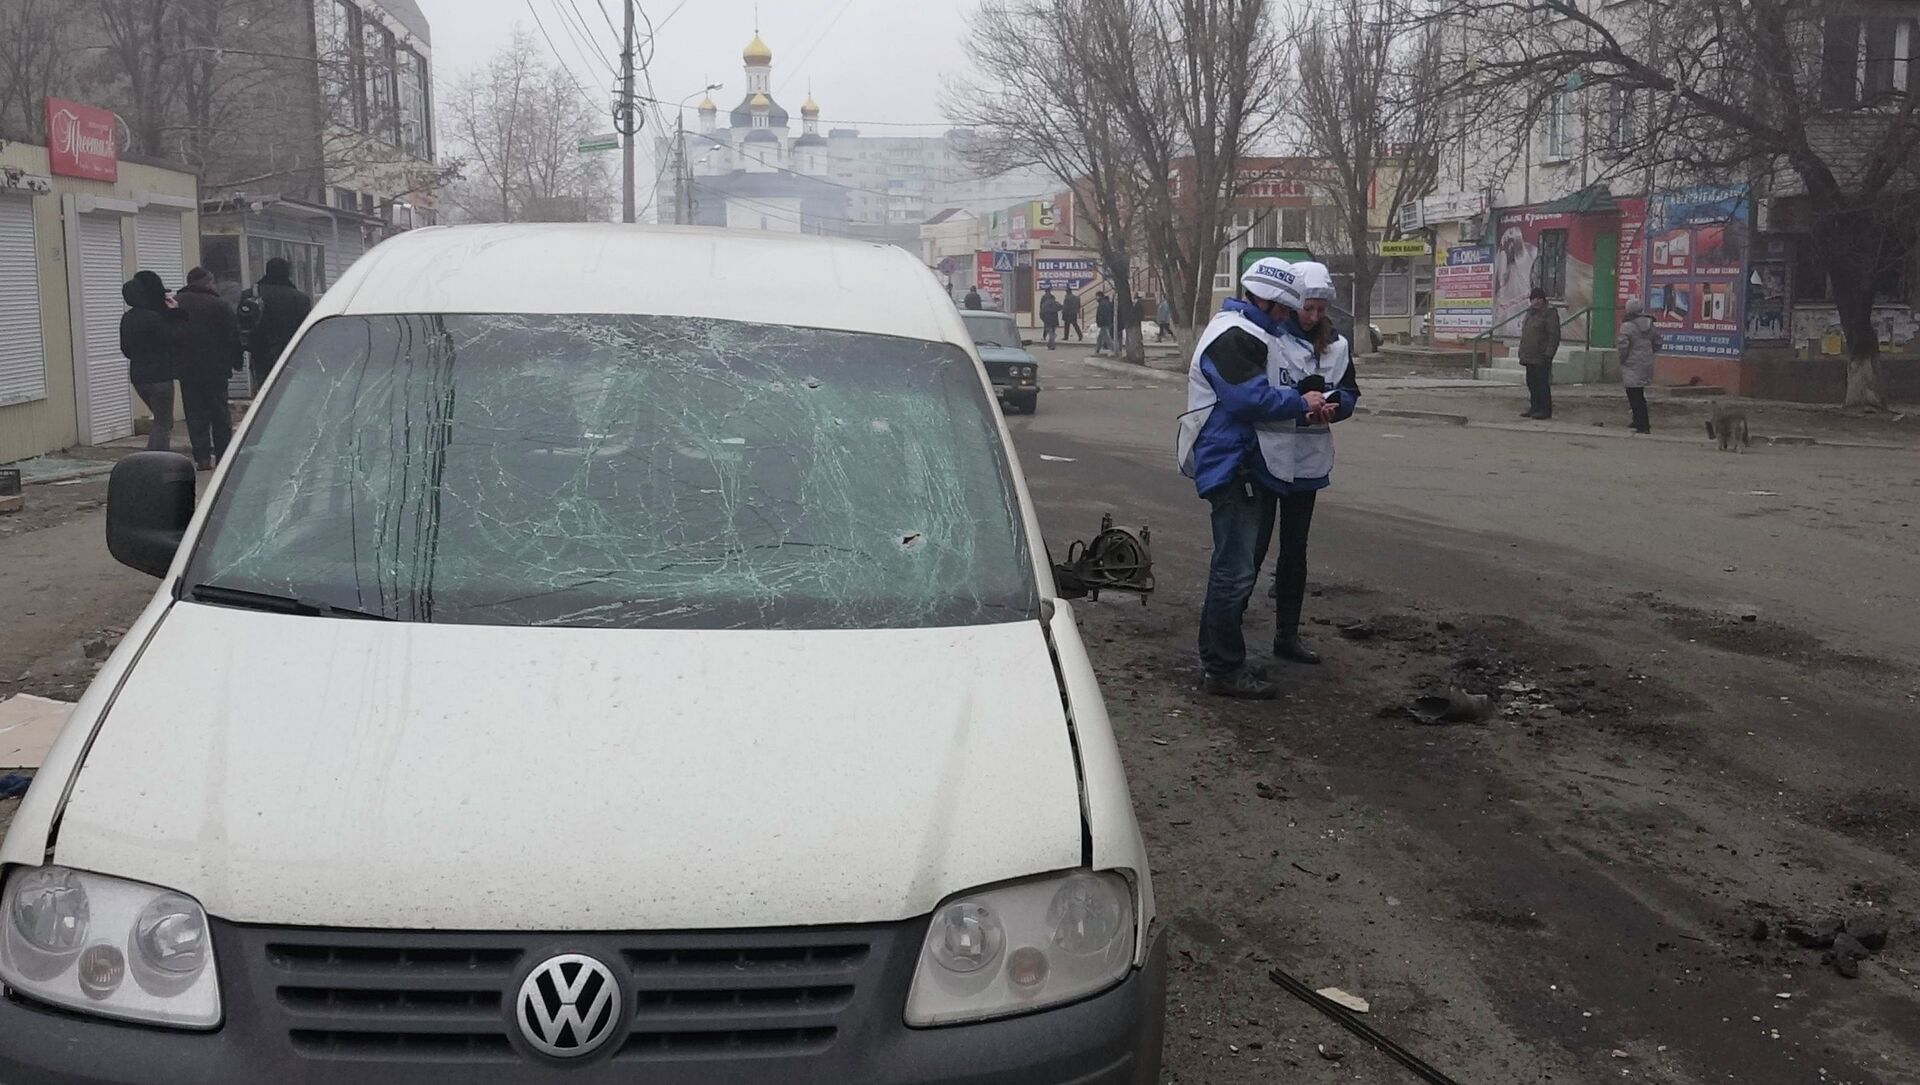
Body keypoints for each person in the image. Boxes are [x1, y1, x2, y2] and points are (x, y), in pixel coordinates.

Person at [1176, 257, 1326, 700]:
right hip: (1232, 463)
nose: (1285, 317)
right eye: (1282, 309)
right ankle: (1223, 669)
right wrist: (1301, 402)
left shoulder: (1249, 331)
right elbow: (1248, 400)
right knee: (1234, 572)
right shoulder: (1234, 334)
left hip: (1238, 461)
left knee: (1231, 568)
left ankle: (1220, 660)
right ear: (1265, 300)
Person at [1262, 260, 1360, 665]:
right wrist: (1296, 405)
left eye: (1321, 309)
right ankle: (1231, 633)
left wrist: (1336, 408)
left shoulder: (1337, 346)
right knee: (1253, 549)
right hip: (1267, 458)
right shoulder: (1269, 337)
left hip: (1308, 463)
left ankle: (1287, 635)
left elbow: (1350, 391)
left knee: (1295, 551)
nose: (1314, 316)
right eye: (1307, 307)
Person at [173, 266, 244, 469]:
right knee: (219, 413)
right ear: (208, 283)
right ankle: (223, 456)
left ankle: (202, 457)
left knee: (195, 413)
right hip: (216, 368)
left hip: (187, 368)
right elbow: (232, 335)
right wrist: (236, 360)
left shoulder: (176, 303)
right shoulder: (219, 305)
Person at [119, 271, 186, 453]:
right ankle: (156, 457)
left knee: (161, 420)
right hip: (160, 376)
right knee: (163, 422)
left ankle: (153, 453)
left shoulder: (127, 318)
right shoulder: (154, 318)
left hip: (139, 376)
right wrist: (176, 313)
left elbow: (126, 350)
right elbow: (175, 338)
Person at [243, 257, 312, 392]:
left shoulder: (250, 295)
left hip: (260, 352)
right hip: (291, 352)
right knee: (288, 390)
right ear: (287, 273)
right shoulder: (300, 298)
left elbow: (243, 325)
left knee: (263, 390)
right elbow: (306, 329)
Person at [1618, 298, 1659, 434]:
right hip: (1646, 362)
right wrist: (1649, 353)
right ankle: (1637, 420)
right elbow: (1658, 341)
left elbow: (1623, 345)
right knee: (1638, 392)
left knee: (1634, 394)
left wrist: (1622, 359)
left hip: (1631, 363)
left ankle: (1642, 424)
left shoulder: (1627, 326)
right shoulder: (1650, 324)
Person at [1518, 287, 1560, 419]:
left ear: (1543, 300)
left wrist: (1549, 354)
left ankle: (1544, 410)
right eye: (1533, 299)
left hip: (1542, 355)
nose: (1536, 301)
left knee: (1542, 383)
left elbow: (1554, 336)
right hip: (1529, 355)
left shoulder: (1549, 314)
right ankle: (1534, 407)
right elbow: (1526, 333)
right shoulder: (1530, 313)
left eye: (1539, 298)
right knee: (1531, 383)